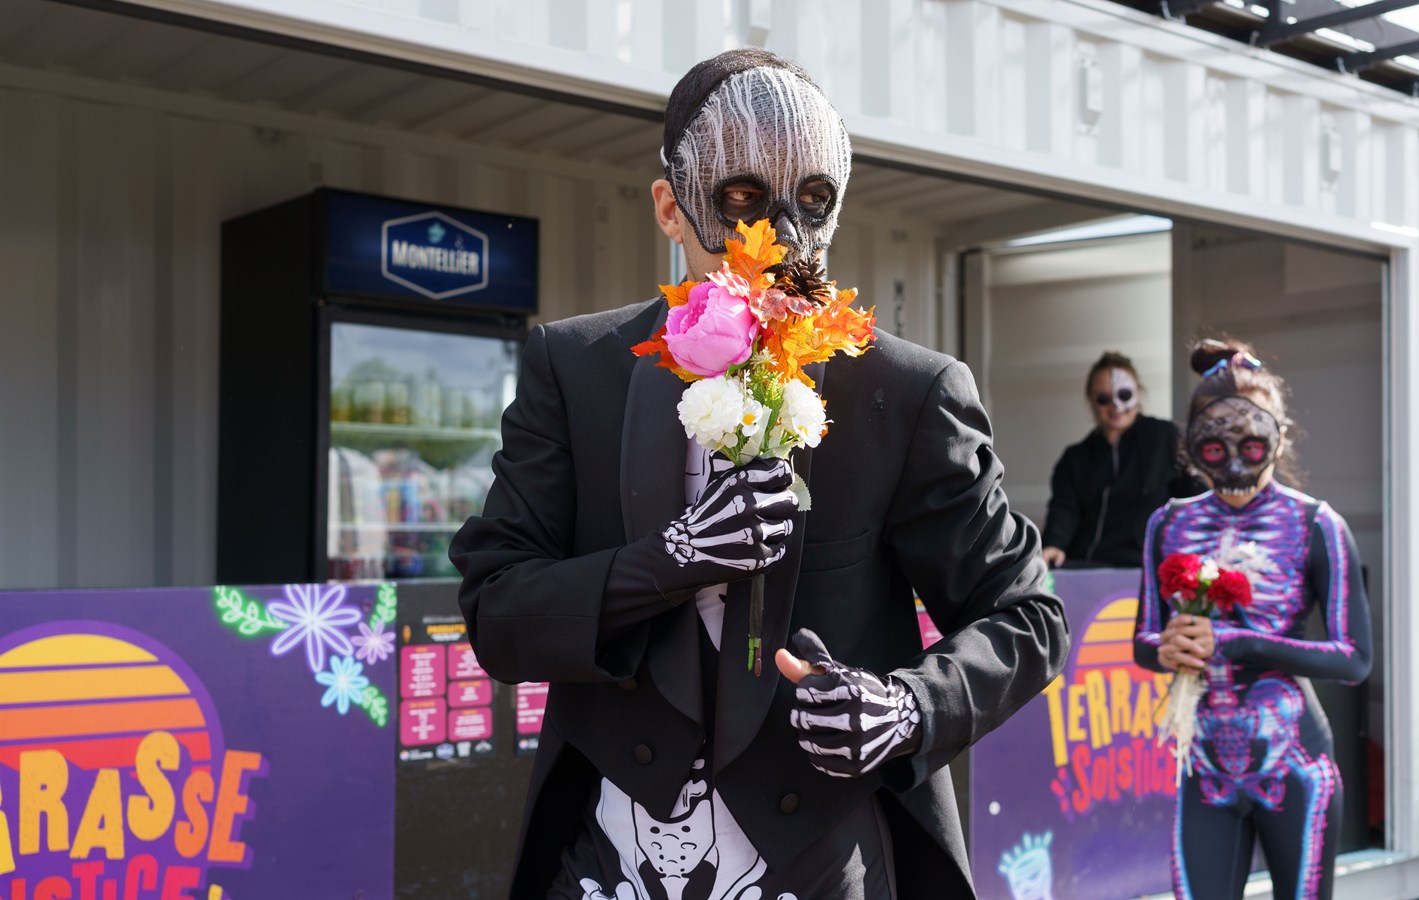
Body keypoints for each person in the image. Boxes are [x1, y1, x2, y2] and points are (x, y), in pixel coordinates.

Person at [450, 48, 1068, 900]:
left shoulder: (904, 392)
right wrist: (668, 561)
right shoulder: (576, 368)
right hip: (610, 861)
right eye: (739, 198)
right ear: (670, 207)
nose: (775, 239)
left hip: (820, 861)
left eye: (811, 200)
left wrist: (905, 708)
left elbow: (1026, 615)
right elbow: (498, 611)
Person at [1132, 338, 1372, 900]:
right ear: (1195, 447)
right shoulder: (1167, 524)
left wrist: (1234, 642)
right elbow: (1143, 642)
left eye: (1252, 443)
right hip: (1203, 764)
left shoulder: (1316, 524)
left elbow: (1354, 660)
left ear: (1277, 437)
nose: (1236, 461)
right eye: (1216, 446)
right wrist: (1165, 647)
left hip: (1294, 761)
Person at [1040, 352, 1198, 569]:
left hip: (1145, 564)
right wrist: (1054, 543)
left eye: (1124, 395)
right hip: (1088, 564)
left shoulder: (1165, 437)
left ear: (1138, 393)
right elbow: (1064, 508)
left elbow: (1193, 494)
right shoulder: (1075, 457)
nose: (1115, 406)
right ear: (1091, 401)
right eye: (1103, 399)